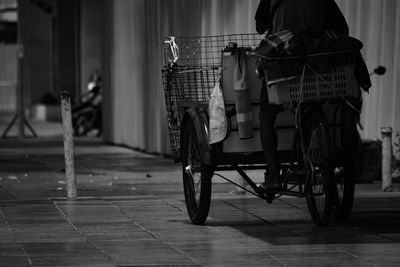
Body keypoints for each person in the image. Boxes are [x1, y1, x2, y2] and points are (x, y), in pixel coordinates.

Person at [255, 0, 350, 190]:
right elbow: (342, 28)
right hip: (316, 67)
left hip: (285, 61)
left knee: (266, 114)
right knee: (321, 101)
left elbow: (260, 27)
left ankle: (274, 176)